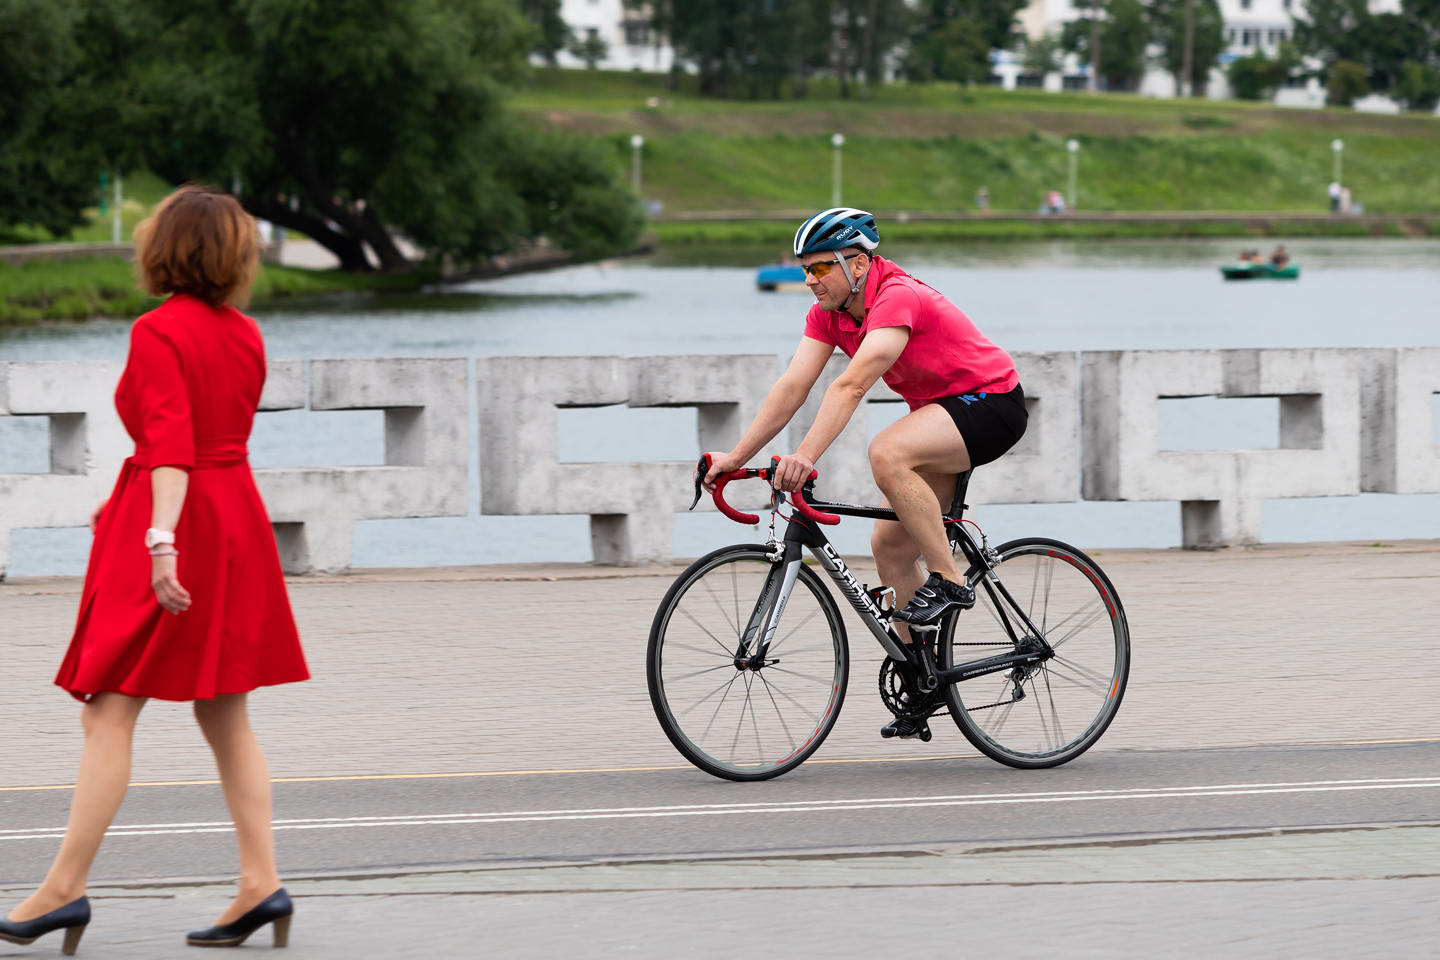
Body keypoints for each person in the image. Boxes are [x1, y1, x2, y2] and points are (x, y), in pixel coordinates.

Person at [0, 185, 310, 954]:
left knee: (108, 711)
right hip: (236, 516)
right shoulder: (246, 333)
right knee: (225, 711)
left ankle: (63, 891)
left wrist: (160, 541)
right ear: (234, 255)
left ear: (164, 247)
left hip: (179, 517)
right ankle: (260, 881)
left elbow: (171, 445)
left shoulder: (157, 332)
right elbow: (212, 435)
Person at [701, 208, 1027, 742]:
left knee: (888, 452)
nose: (810, 280)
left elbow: (851, 385)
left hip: (991, 404)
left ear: (857, 263)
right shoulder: (828, 314)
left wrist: (804, 454)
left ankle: (950, 581)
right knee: (892, 550)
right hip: (941, 412)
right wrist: (735, 458)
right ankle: (926, 680)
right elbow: (793, 387)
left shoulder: (897, 296)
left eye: (820, 268)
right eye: (804, 270)